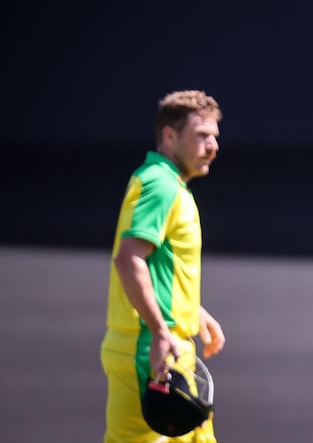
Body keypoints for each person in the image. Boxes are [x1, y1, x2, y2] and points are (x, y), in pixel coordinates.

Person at [100, 89, 226, 443]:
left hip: (167, 349)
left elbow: (156, 264)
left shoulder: (165, 183)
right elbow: (129, 259)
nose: (213, 146)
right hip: (150, 353)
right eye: (202, 135)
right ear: (170, 136)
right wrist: (159, 330)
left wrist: (190, 309)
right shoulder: (160, 185)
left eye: (215, 136)